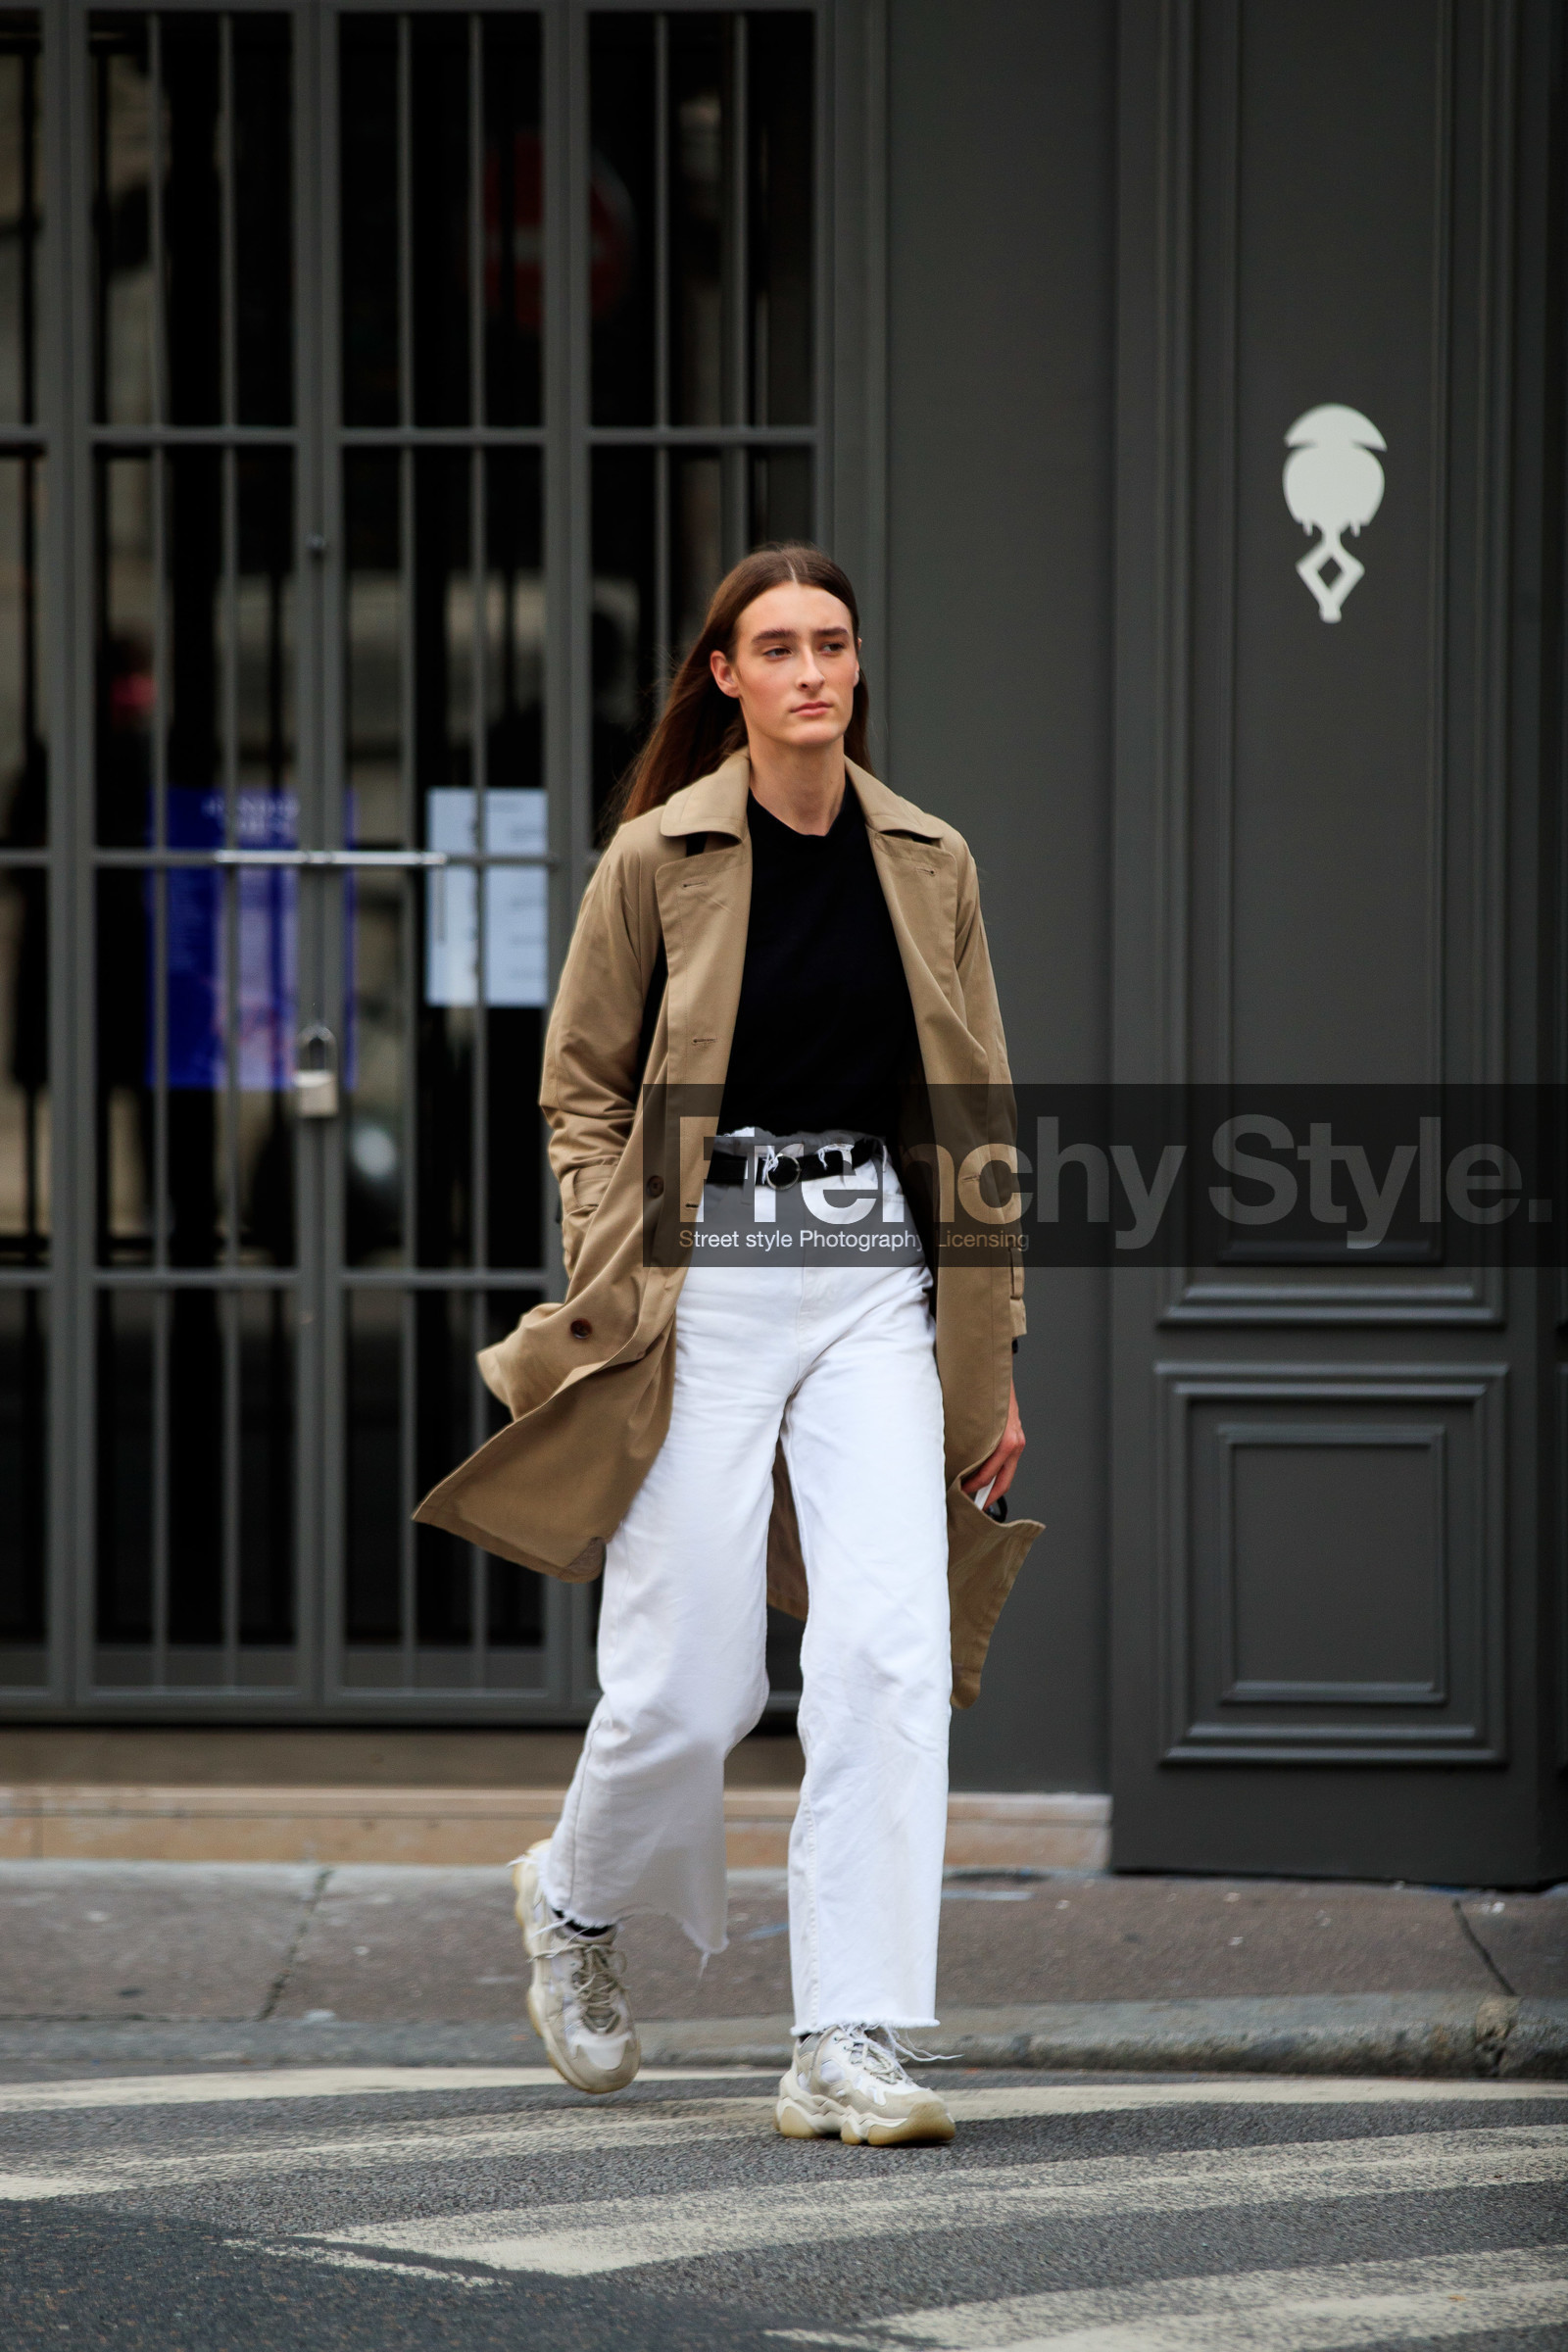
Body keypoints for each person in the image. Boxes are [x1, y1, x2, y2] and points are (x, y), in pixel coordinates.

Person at [416, 545, 1040, 2145]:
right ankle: (576, 1895)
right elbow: (579, 1085)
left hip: (872, 1280)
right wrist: (612, 1261)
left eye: (835, 642)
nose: (816, 671)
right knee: (691, 1684)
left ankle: (848, 2036)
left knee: (888, 1653)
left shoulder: (930, 857)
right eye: (781, 647)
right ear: (728, 679)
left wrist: (996, 1357)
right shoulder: (658, 853)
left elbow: (976, 1116)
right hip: (702, 1283)